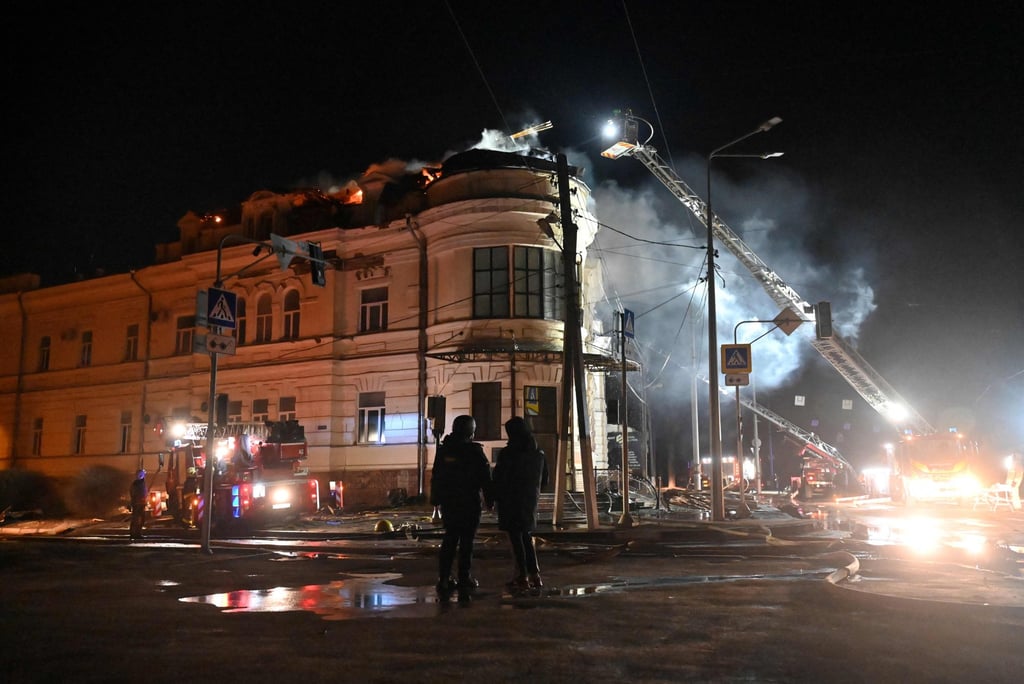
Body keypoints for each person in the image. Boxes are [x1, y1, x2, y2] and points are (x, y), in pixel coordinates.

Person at [429, 415, 494, 601]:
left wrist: (436, 499)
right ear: (470, 432)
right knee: (467, 541)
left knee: (450, 539)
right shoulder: (474, 451)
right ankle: (464, 577)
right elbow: (485, 477)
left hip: (450, 502)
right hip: (469, 502)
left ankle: (443, 578)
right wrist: (490, 500)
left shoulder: (444, 450)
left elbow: (437, 475)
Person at [493, 416, 549, 595]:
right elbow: (545, 479)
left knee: (516, 539)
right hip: (529, 500)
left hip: (510, 500)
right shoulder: (538, 452)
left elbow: (499, 478)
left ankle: (522, 576)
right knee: (526, 536)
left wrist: (492, 497)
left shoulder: (508, 453)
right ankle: (535, 575)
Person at [129, 469, 148, 541]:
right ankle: (135, 534)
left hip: (139, 503)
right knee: (137, 519)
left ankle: (135, 533)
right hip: (138, 504)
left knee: (138, 519)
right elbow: (136, 494)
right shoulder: (137, 484)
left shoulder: (138, 483)